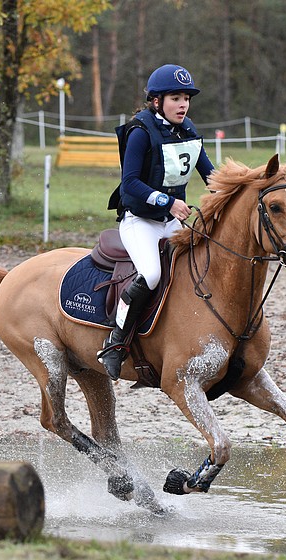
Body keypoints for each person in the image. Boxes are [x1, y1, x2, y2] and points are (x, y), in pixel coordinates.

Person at [99, 64, 215, 380]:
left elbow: (211, 176)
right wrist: (169, 202)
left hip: (173, 221)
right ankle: (116, 341)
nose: (183, 105)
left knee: (199, 267)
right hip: (140, 221)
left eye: (186, 99)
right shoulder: (140, 131)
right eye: (176, 98)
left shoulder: (188, 130)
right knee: (151, 274)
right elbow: (130, 184)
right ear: (156, 101)